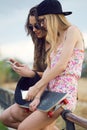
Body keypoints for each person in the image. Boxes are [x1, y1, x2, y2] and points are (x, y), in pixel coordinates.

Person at [9, 0, 84, 130]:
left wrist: (35, 87)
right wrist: (37, 96)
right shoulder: (53, 39)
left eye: (43, 20)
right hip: (50, 93)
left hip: (63, 95)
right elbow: (49, 70)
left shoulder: (72, 31)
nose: (41, 25)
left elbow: (61, 66)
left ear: (53, 17)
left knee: (23, 128)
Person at [0, 6, 58, 130]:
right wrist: (26, 70)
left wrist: (32, 74)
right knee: (5, 118)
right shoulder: (39, 43)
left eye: (36, 25)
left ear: (45, 22)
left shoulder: (59, 43)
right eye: (31, 27)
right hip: (40, 92)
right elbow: (38, 71)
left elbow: (57, 73)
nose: (34, 29)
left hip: (55, 92)